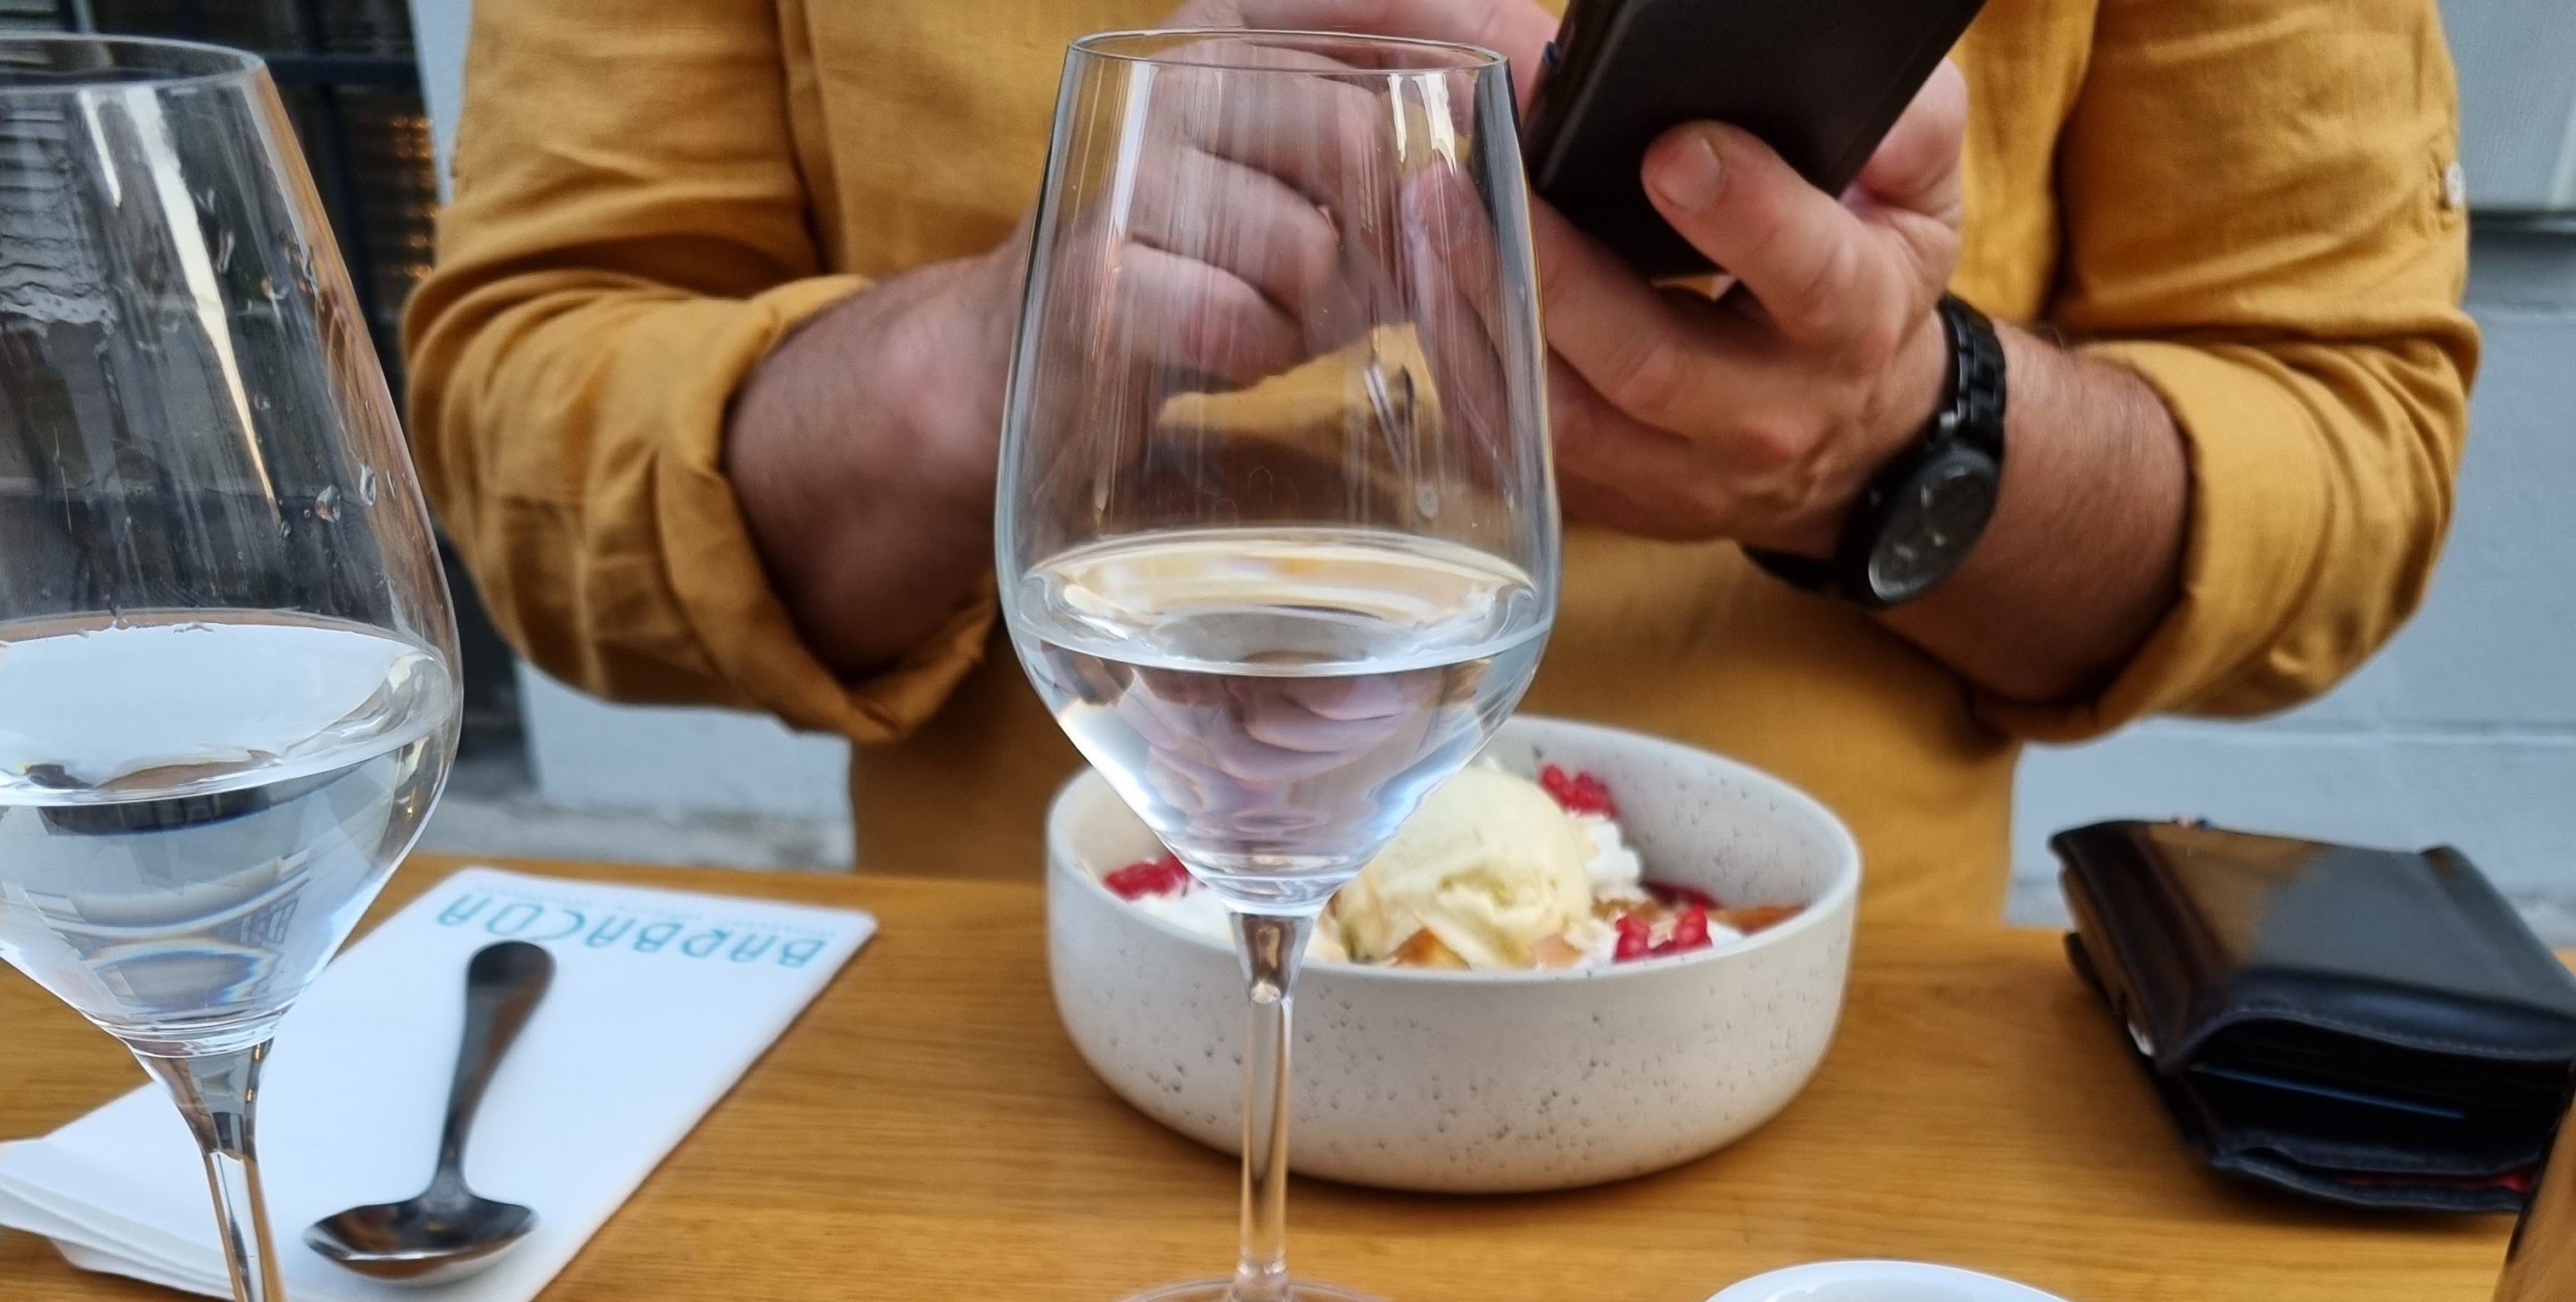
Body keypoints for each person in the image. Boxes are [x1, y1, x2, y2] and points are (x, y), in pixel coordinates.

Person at [408, 0, 2477, 922]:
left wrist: (1888, 443)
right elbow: (518, 443)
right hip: (1016, 1066)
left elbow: (2348, 450)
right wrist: (991, 373)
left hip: (1814, 1079)